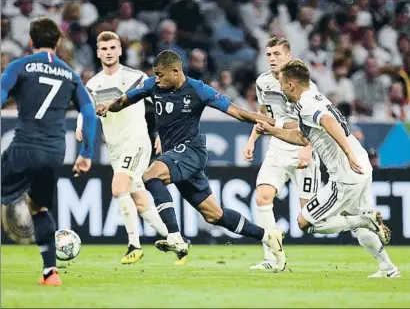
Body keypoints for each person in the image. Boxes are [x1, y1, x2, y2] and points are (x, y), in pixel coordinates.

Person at [96, 50, 285, 270]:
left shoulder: (198, 89)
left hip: (191, 151)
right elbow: (124, 100)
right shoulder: (152, 85)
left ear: (176, 71)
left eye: (160, 74)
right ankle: (268, 236)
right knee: (214, 215)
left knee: (150, 175)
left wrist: (273, 123)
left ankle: (175, 236)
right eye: (155, 75)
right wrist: (109, 105)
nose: (157, 78)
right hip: (175, 156)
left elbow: (237, 112)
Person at [255, 59, 400, 278]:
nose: (282, 88)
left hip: (346, 175)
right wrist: (272, 130)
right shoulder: (316, 97)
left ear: (292, 85)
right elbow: (303, 137)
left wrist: (349, 155)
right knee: (360, 227)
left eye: (283, 84)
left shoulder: (306, 104)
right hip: (361, 166)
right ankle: (388, 269)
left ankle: (364, 219)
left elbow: (328, 123)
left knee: (305, 222)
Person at [1, 17, 97, 286]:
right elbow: (89, 113)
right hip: (56, 151)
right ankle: (50, 272)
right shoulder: (70, 73)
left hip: (25, 146)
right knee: (38, 206)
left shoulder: (19, 66)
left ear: (31, 41)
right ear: (58, 42)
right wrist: (86, 153)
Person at [75, 31, 168, 264]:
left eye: (112, 48)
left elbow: (160, 100)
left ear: (119, 50)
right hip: (115, 147)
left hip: (136, 141)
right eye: (104, 49)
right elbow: (86, 110)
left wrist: (164, 132)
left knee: (118, 188)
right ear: (98, 52)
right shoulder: (93, 83)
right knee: (139, 199)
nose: (108, 53)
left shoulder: (135, 77)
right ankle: (175, 239)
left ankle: (133, 245)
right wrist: (80, 126)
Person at [243, 37, 321, 271]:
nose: (272, 59)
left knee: (310, 221)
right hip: (277, 147)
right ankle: (273, 258)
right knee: (262, 197)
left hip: (301, 149)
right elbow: (264, 115)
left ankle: (357, 220)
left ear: (288, 56)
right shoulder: (263, 82)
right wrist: (252, 140)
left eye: (277, 54)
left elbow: (315, 122)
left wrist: (308, 149)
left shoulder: (305, 83)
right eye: (269, 55)